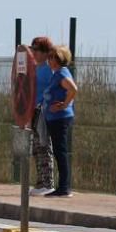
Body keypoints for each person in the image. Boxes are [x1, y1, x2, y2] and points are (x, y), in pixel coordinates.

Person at [43, 45, 78, 197]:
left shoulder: (62, 73)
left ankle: (64, 187)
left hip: (60, 118)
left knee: (60, 151)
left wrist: (64, 104)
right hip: (53, 118)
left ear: (58, 59)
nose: (48, 60)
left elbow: (73, 89)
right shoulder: (56, 74)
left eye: (51, 57)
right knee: (58, 151)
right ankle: (62, 186)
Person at [28, 36, 55, 194]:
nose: (34, 52)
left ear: (45, 52)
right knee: (37, 148)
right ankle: (40, 182)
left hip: (43, 112)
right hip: (34, 112)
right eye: (33, 49)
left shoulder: (48, 70)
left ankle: (47, 183)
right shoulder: (37, 69)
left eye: (36, 49)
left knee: (44, 146)